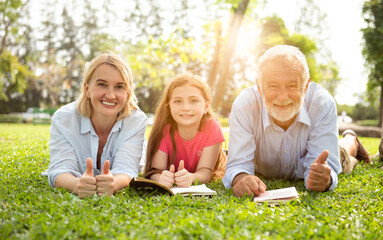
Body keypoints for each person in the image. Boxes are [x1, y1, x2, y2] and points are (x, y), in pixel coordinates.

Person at [222, 45, 370, 198]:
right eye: (273, 86)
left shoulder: (322, 103)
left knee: (342, 154)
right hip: (264, 166)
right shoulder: (244, 105)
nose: (283, 97)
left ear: (305, 86)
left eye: (292, 86)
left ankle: (352, 140)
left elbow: (327, 168)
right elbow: (237, 164)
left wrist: (323, 179)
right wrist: (241, 177)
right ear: (259, 87)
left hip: (319, 153)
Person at [48, 53, 147, 198]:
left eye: (119, 87)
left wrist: (114, 183)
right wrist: (76, 184)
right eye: (102, 84)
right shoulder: (64, 119)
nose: (111, 95)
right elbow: (59, 170)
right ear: (87, 89)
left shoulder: (136, 121)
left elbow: (127, 170)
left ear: (127, 92)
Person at [144, 73, 226, 188]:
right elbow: (155, 171)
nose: (186, 108)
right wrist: (161, 178)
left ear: (206, 106)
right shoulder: (165, 130)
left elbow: (205, 172)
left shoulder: (212, 127)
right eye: (178, 101)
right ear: (169, 106)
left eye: (193, 101)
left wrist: (191, 178)